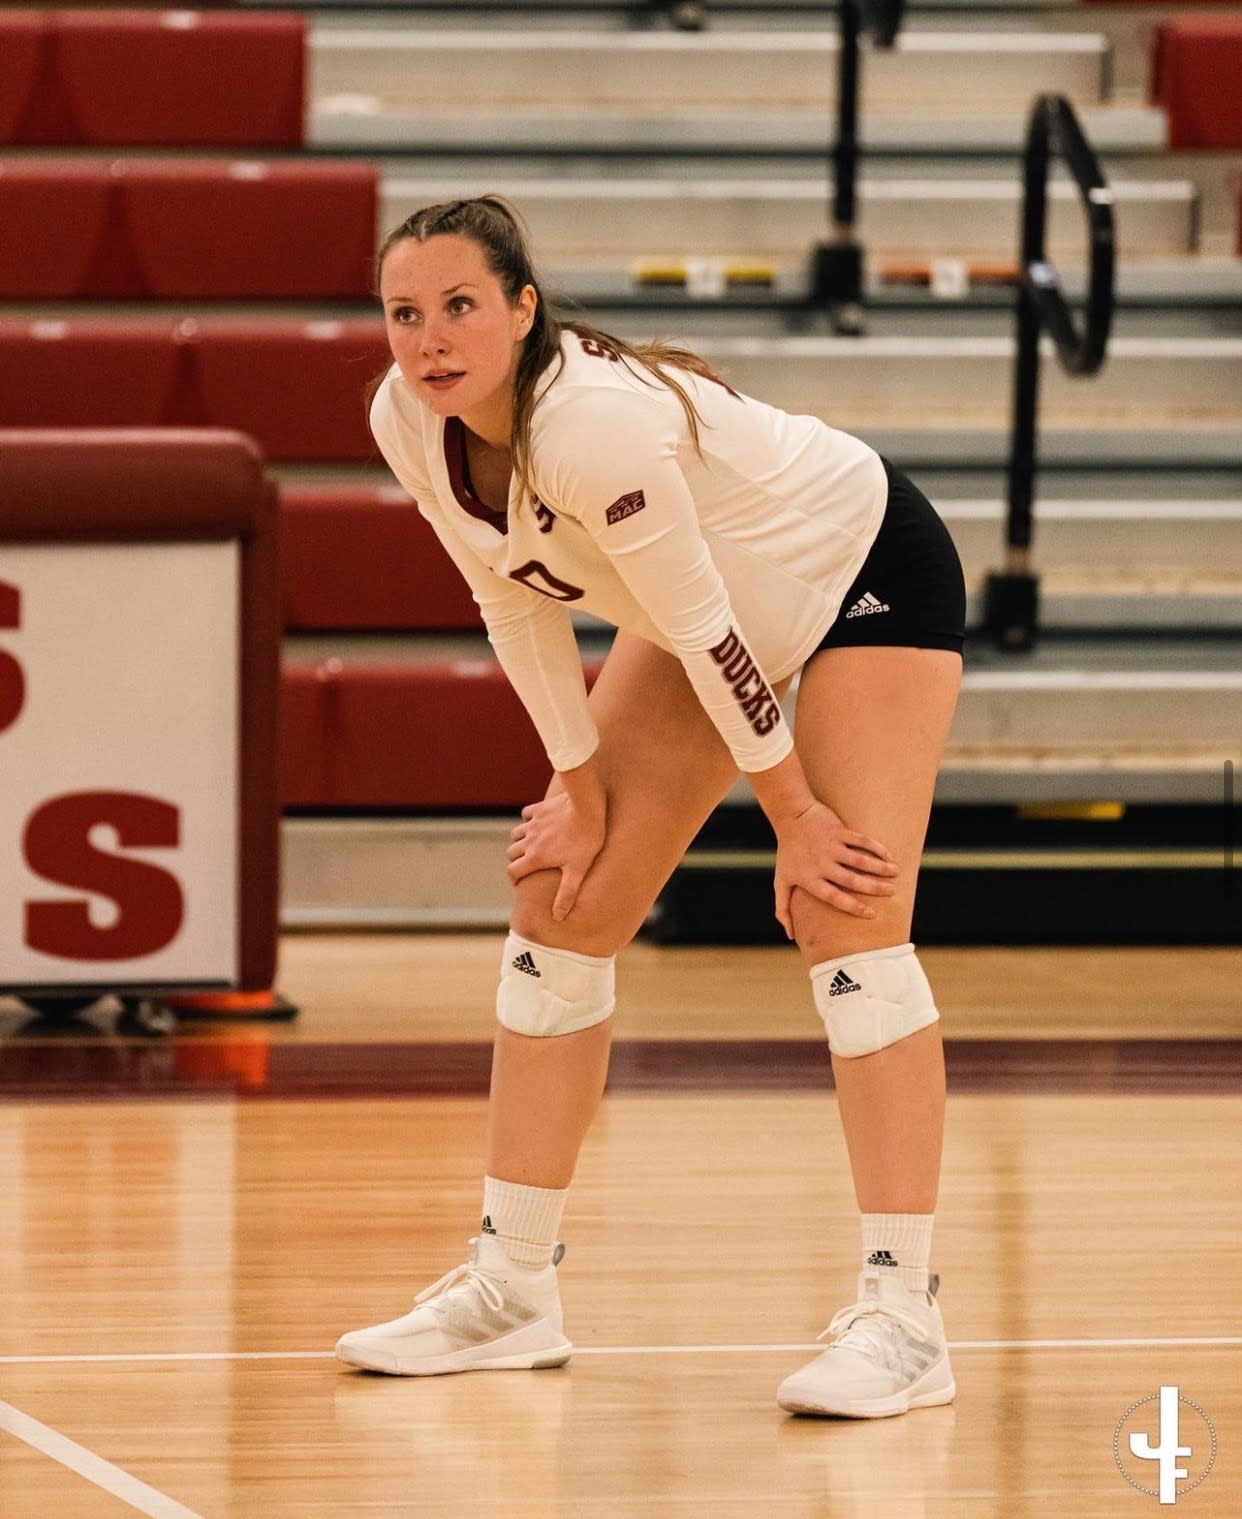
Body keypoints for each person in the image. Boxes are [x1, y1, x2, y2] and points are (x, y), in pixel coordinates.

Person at [335, 196, 966, 1419]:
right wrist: (578, 789)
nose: (430, 339)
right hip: (707, 615)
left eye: (461, 305)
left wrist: (793, 813)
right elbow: (511, 604)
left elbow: (707, 631)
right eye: (405, 313)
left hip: (860, 570)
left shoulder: (597, 429)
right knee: (558, 895)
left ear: (523, 309)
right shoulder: (406, 419)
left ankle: (904, 1315)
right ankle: (512, 1290)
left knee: (849, 913)